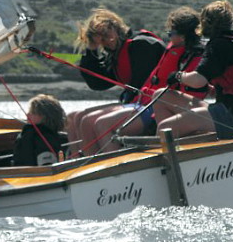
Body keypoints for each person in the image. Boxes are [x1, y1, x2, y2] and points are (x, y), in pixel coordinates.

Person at [90, 6, 209, 153]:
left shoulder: (194, 56)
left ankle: (113, 171)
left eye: (171, 33)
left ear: (183, 35)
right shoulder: (174, 50)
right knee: (82, 120)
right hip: (144, 103)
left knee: (102, 124)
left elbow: (193, 90)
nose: (169, 36)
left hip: (154, 108)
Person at [153, 0, 233, 139]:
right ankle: (177, 144)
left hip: (231, 118)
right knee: (161, 95)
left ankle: (167, 155)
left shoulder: (219, 45)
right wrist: (214, 89)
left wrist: (178, 76)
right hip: (232, 112)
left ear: (206, 22)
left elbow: (198, 80)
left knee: (165, 127)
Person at [66, 8, 165, 154]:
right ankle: (78, 164)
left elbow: (142, 84)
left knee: (92, 121)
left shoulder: (142, 45)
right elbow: (98, 83)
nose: (106, 42)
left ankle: (105, 167)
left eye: (106, 36)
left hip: (152, 105)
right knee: (74, 117)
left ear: (115, 28)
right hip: (135, 104)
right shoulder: (116, 54)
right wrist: (91, 50)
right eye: (100, 40)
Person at [13, 94, 68, 166]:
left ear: (45, 116)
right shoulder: (58, 137)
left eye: (33, 113)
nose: (27, 115)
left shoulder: (34, 136)